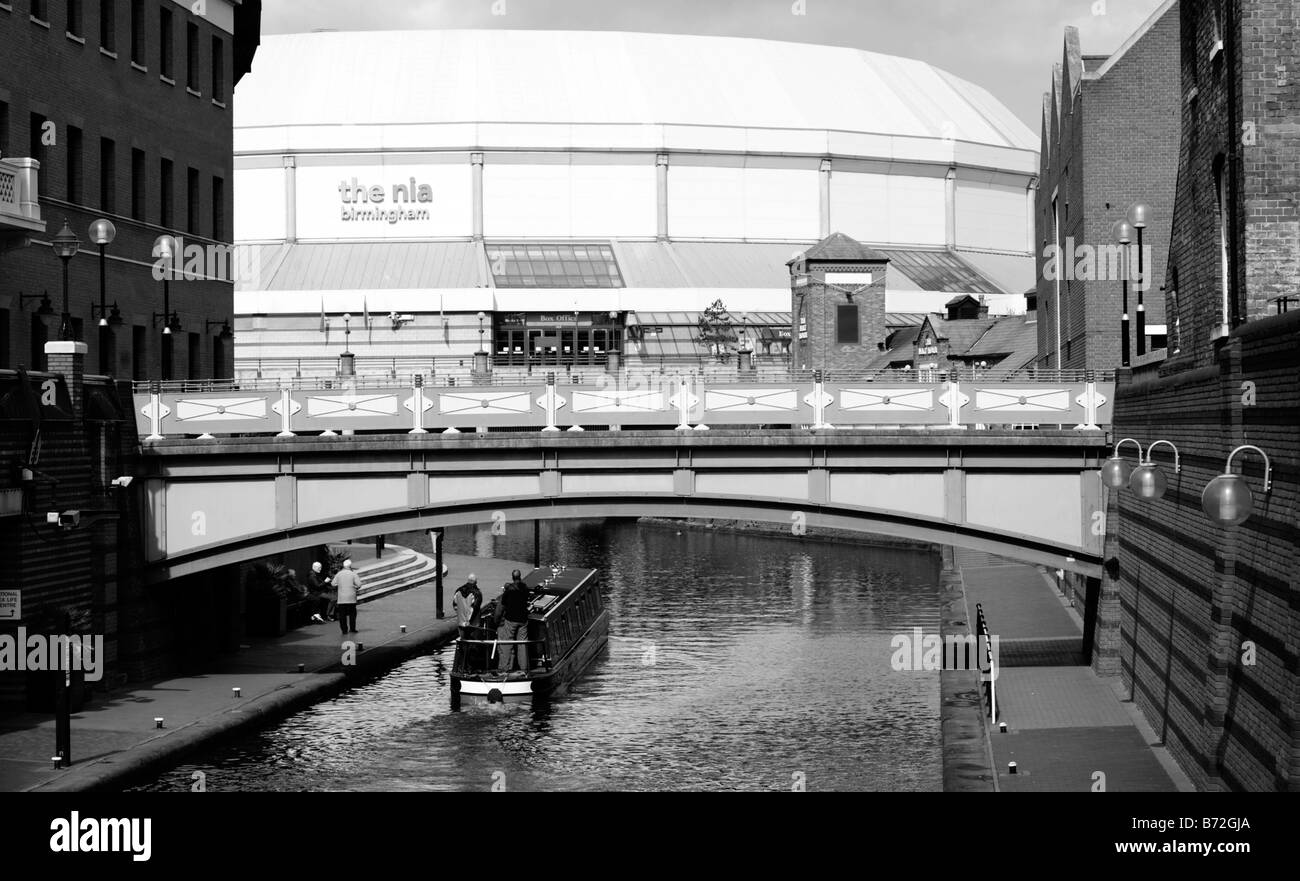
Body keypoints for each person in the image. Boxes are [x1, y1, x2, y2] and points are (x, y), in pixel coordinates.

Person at [496, 569, 534, 675]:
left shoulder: (509, 590)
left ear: (512, 577)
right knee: (522, 643)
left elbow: (502, 605)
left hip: (511, 619)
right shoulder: (525, 588)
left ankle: (505, 668)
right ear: (520, 576)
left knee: (507, 642)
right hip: (523, 620)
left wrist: (497, 620)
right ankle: (524, 669)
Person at [332, 559, 362, 635]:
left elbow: (333, 583)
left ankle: (344, 630)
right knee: (352, 613)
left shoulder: (339, 574)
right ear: (350, 566)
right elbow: (359, 584)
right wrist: (355, 587)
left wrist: (339, 585)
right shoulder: (353, 574)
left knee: (342, 615)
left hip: (342, 598)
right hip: (351, 597)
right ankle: (352, 628)